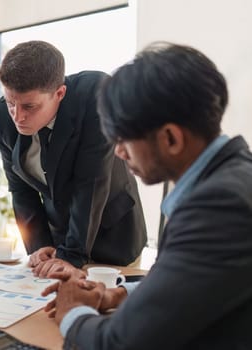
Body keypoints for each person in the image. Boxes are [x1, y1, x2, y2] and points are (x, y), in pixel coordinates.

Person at [43, 42, 252, 349]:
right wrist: (118, 293)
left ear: (170, 137)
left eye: (123, 137)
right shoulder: (235, 176)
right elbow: (190, 280)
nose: (118, 151)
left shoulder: (220, 205)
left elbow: (121, 344)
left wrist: (73, 312)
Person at [0, 40, 147, 275]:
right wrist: (39, 245)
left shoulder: (95, 95)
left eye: (29, 106)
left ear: (59, 93)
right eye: (11, 102)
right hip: (59, 240)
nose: (18, 116)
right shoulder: (4, 116)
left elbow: (91, 183)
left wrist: (72, 255)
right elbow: (21, 189)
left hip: (112, 235)